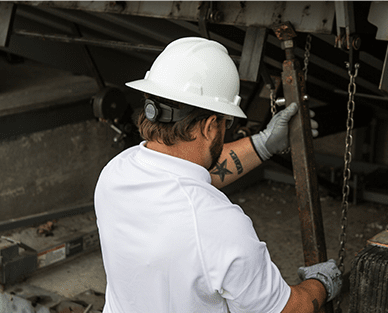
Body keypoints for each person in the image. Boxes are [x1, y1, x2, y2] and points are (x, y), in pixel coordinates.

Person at [94, 37, 341, 312]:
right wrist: (321, 283)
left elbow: (191, 176)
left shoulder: (115, 173)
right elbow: (287, 309)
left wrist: (263, 144)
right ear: (211, 125)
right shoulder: (219, 225)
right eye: (226, 122)